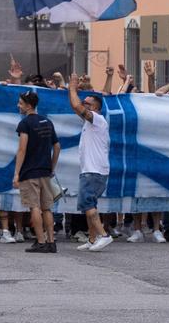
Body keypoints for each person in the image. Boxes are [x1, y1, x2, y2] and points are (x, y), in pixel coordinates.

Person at [13, 89, 60, 254]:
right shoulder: (47, 122)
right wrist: (52, 166)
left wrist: (17, 173)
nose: (18, 106)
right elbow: (57, 146)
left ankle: (40, 241)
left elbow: (22, 149)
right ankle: (51, 241)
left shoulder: (25, 124)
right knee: (47, 208)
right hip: (45, 171)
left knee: (34, 207)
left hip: (30, 172)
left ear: (27, 105)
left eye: (20, 103)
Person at [69, 73, 112, 252]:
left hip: (94, 171)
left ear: (96, 107)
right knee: (90, 205)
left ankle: (104, 235)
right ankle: (92, 238)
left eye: (87, 103)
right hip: (92, 170)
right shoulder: (91, 123)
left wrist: (72, 88)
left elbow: (77, 107)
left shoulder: (98, 120)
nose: (83, 104)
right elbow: (77, 107)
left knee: (88, 204)